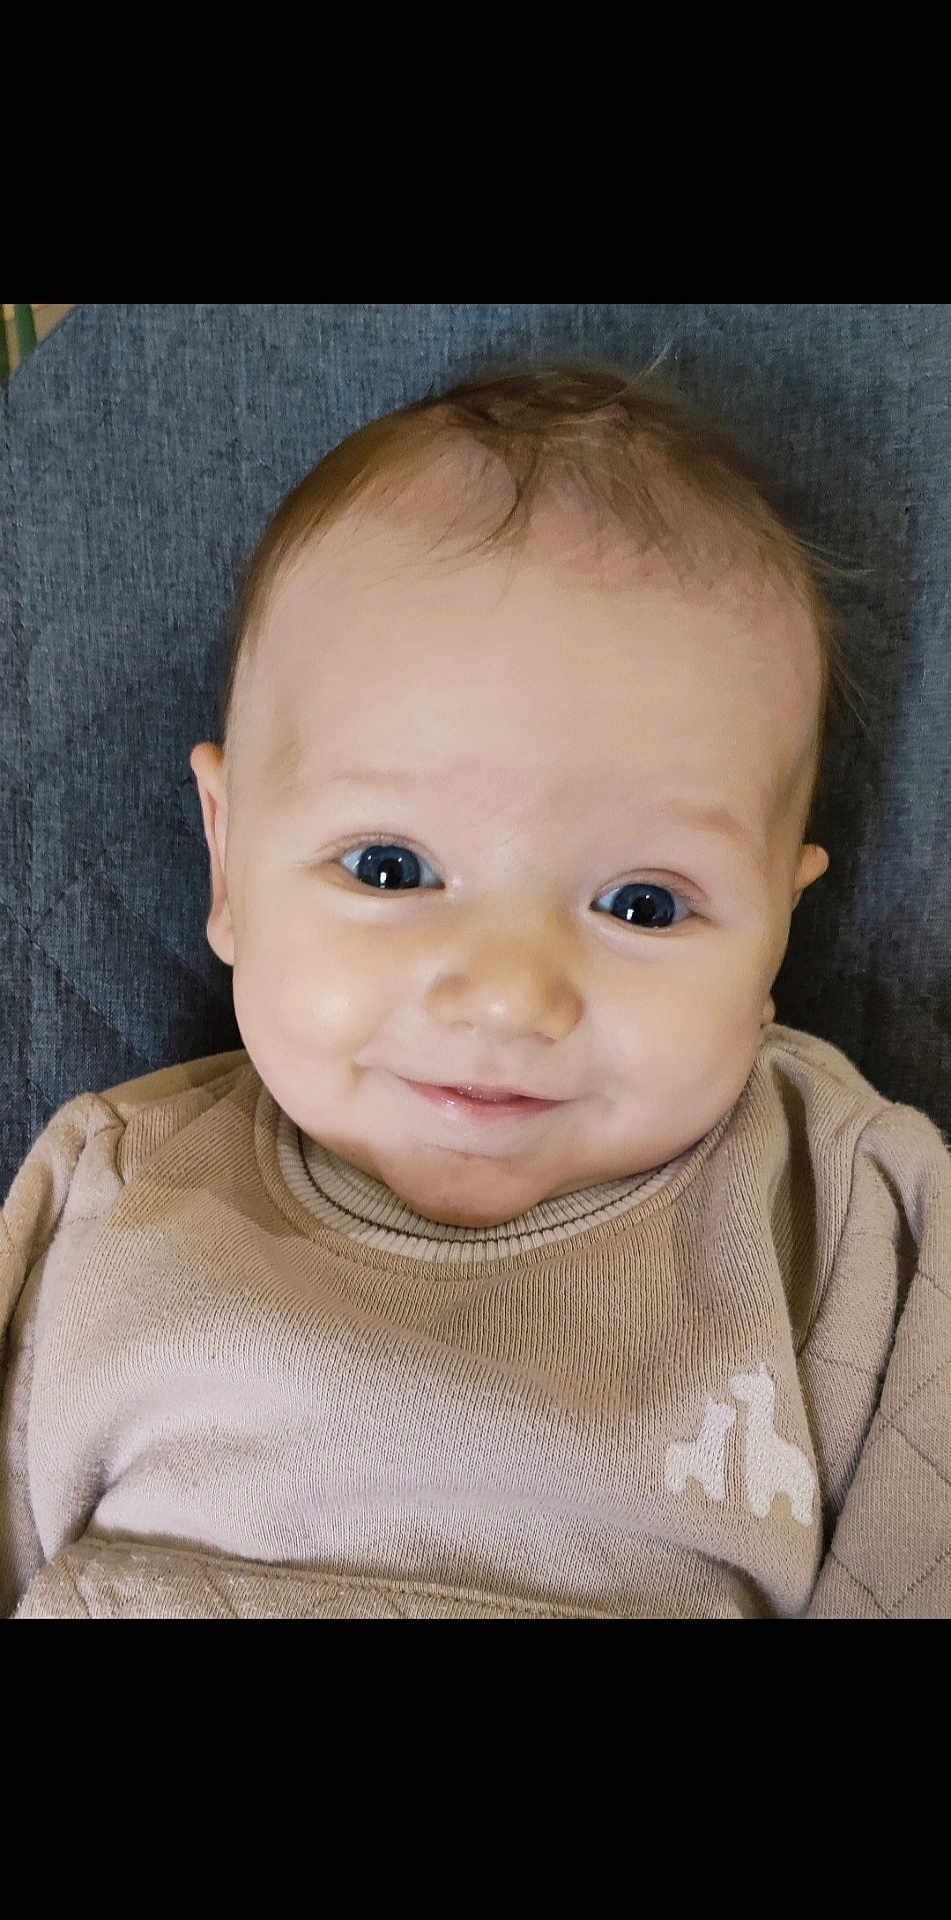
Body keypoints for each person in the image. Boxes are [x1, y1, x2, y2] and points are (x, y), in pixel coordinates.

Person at [3, 361, 949, 1619]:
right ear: (228, 863)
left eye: (643, 905)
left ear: (780, 921)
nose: (509, 998)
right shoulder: (115, 1184)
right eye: (391, 869)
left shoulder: (848, 1209)